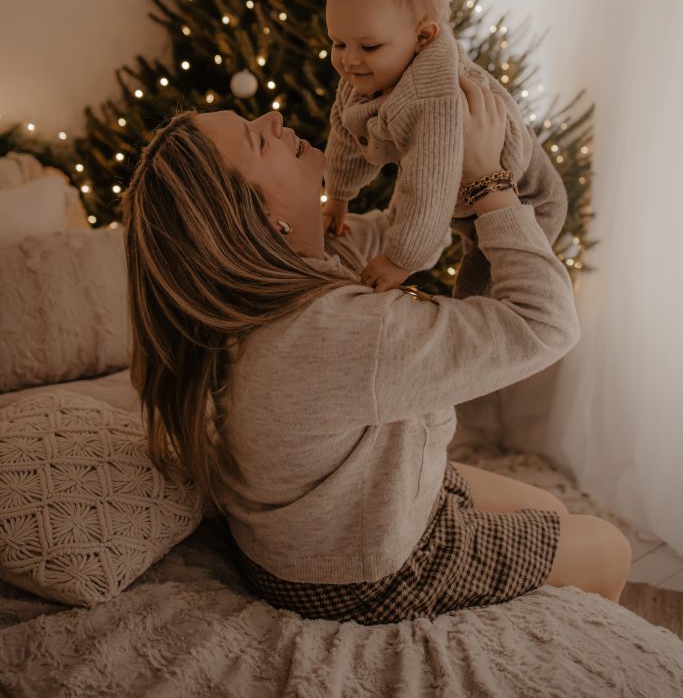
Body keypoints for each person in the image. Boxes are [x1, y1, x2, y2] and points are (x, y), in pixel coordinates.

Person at [120, 74, 632, 625]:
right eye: (257, 139)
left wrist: (434, 145)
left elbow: (410, 233)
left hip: (324, 520)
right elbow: (545, 322)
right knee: (607, 547)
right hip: (358, 570)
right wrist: (491, 183)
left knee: (550, 508)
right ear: (266, 218)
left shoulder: (284, 271)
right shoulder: (328, 334)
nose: (272, 119)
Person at [322, 0, 567, 296]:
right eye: (338, 43)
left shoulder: (433, 98)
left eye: (369, 46)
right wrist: (339, 196)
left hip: (527, 197)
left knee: (477, 294)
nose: (348, 60)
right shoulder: (363, 77)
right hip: (464, 193)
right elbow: (347, 130)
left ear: (423, 36)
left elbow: (430, 184)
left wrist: (400, 259)